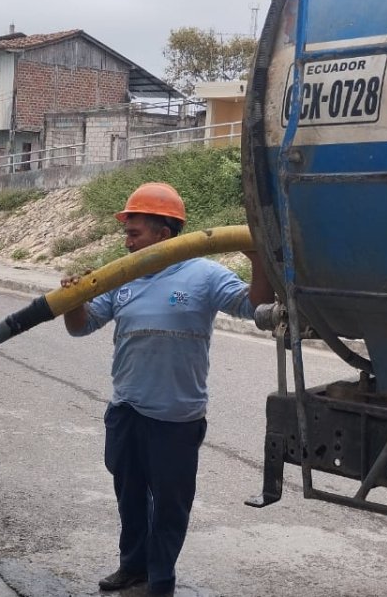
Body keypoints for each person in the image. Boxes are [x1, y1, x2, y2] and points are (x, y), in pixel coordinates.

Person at [61, 182, 275, 596]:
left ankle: (160, 580)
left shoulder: (204, 274)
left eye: (134, 233)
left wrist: (257, 259)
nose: (127, 241)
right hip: (126, 410)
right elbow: (81, 327)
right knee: (129, 497)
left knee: (170, 506)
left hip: (176, 418)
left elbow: (255, 306)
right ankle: (133, 567)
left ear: (163, 233)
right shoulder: (123, 276)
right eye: (126, 233)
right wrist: (73, 302)